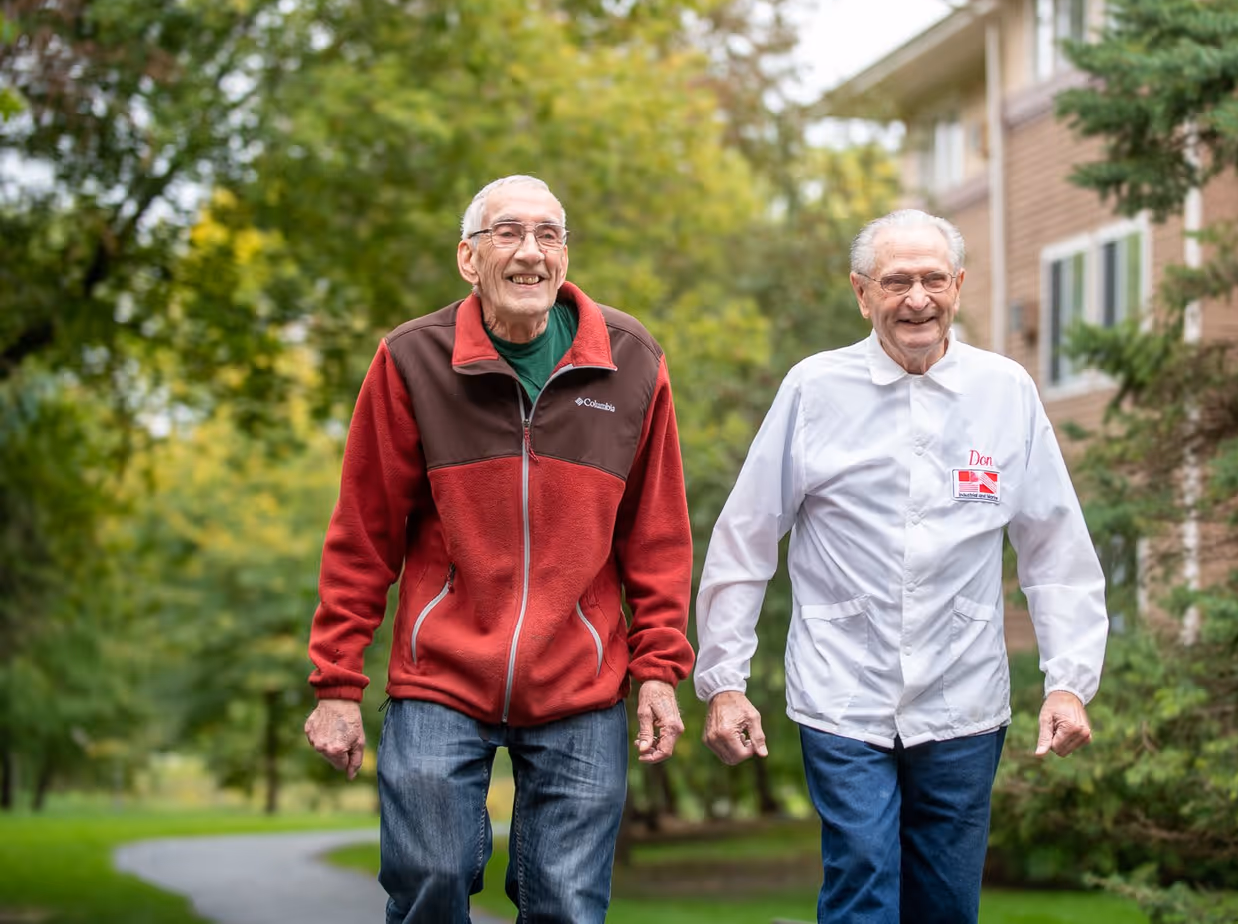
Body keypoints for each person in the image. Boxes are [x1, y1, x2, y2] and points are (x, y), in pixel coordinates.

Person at [693, 208, 1108, 924]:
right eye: (896, 281)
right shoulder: (814, 389)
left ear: (959, 285)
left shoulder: (1004, 391)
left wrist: (1069, 682)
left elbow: (1055, 547)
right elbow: (747, 537)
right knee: (862, 879)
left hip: (963, 694)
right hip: (842, 687)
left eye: (932, 279)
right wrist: (724, 681)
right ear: (861, 293)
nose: (917, 297)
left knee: (945, 905)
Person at [303, 175, 694, 924]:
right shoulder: (412, 360)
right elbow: (363, 531)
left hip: (580, 677)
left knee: (569, 904)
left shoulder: (632, 358)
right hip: (441, 673)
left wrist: (658, 670)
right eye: (507, 234)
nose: (530, 252)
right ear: (467, 258)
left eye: (549, 235)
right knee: (429, 877)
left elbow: (658, 536)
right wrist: (336, 683)